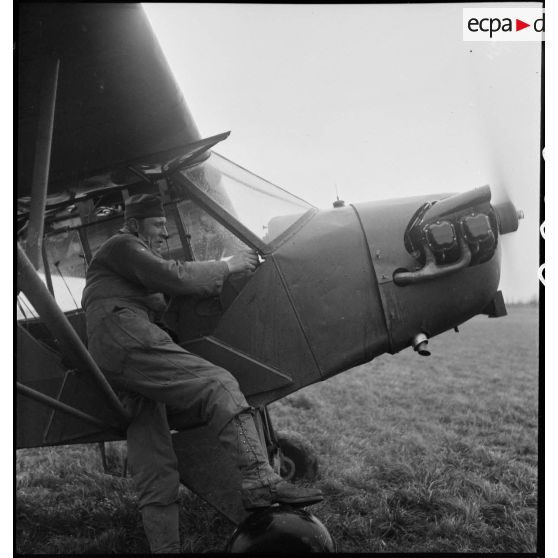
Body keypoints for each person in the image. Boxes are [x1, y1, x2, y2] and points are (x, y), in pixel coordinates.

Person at [81, 193, 323, 553]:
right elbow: (173, 277)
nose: (164, 233)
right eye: (157, 225)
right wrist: (227, 266)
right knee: (218, 384)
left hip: (116, 350)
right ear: (134, 224)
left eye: (166, 225)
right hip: (124, 334)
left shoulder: (128, 262)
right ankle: (258, 478)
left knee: (155, 465)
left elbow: (169, 293)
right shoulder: (123, 245)